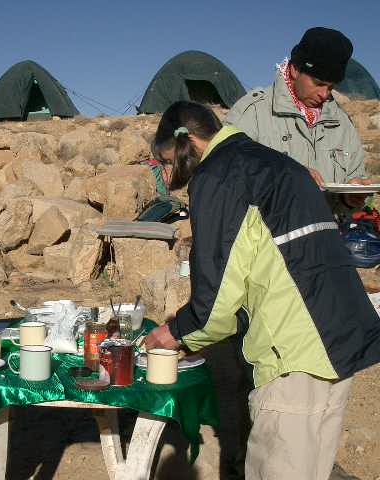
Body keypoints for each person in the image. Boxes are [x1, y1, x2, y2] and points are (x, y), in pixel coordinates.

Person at [144, 101, 380, 479]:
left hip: (296, 347)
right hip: (341, 334)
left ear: (184, 145)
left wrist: (174, 332)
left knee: (279, 467)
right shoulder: (272, 161)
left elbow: (217, 296)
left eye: (167, 161)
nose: (167, 171)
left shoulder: (218, 176)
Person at [226, 27, 369, 214]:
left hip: (324, 240)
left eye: (331, 87)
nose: (324, 94)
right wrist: (286, 173)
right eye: (318, 83)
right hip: (267, 240)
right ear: (294, 70)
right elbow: (223, 175)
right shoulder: (253, 112)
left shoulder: (342, 125)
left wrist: (349, 199)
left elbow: (354, 180)